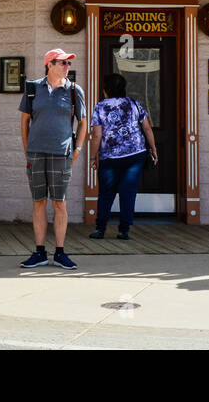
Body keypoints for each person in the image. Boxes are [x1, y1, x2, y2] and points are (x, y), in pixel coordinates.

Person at [18, 48, 87, 269]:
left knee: (60, 203)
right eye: (62, 63)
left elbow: (83, 122)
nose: (67, 67)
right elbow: (24, 121)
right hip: (36, 153)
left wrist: (77, 150)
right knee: (39, 202)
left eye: (68, 63)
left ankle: (59, 252)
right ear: (49, 64)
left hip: (62, 154)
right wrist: (28, 149)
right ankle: (39, 252)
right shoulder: (33, 89)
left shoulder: (75, 91)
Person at [89, 73, 157, 240]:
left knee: (106, 193)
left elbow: (97, 135)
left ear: (106, 89)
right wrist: (154, 149)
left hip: (110, 157)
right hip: (135, 154)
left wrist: (92, 157)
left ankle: (100, 229)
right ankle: (124, 230)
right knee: (128, 192)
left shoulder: (100, 107)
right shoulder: (134, 104)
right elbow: (147, 128)